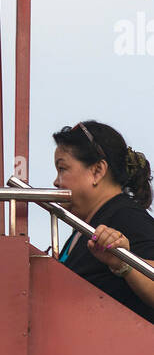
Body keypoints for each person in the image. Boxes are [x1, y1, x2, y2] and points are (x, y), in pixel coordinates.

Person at [52, 120, 154, 323]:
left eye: (62, 169)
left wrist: (124, 264)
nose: (56, 182)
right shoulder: (85, 227)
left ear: (97, 170)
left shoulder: (126, 216)